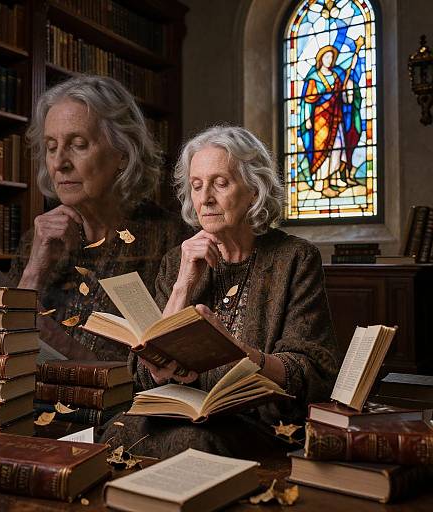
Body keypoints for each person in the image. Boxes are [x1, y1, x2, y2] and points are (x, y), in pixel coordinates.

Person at [97, 125, 340, 458]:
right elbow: (142, 376)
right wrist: (183, 284)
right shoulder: (176, 261)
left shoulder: (294, 258)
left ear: (254, 191)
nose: (205, 198)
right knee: (114, 431)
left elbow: (311, 371)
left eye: (220, 183)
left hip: (263, 423)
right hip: (180, 413)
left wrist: (235, 350)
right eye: (196, 186)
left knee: (192, 445)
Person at [8, 76, 187, 361]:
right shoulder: (37, 239)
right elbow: (3, 351)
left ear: (123, 154)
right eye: (51, 147)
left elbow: (162, 367)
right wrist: (33, 271)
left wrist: (52, 337)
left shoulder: (171, 240)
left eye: (78, 144)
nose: (59, 163)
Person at [299, 44, 362, 197]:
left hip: (336, 118)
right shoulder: (314, 79)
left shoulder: (335, 77)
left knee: (337, 149)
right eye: (327, 57)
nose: (330, 60)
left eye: (331, 57)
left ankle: (334, 179)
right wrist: (307, 118)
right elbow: (308, 101)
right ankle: (321, 182)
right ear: (321, 59)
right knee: (322, 150)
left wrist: (348, 87)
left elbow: (344, 99)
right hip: (320, 120)